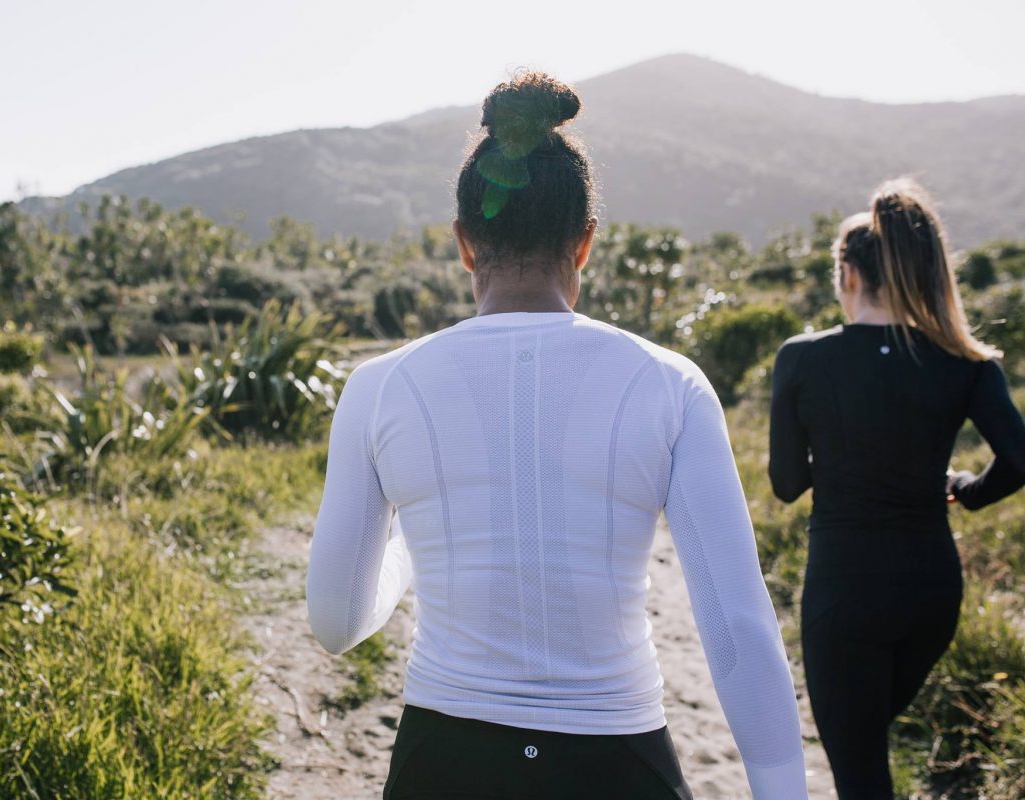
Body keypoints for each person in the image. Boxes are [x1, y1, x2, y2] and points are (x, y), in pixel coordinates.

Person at [307, 71, 808, 800]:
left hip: (443, 761)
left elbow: (334, 624)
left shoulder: (380, 385)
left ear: (464, 244)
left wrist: (408, 554)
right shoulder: (671, 385)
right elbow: (736, 626)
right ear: (585, 244)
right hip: (618, 759)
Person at [768, 179, 1025, 798]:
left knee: (858, 770)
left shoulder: (802, 358)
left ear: (848, 273)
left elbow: (784, 485)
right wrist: (966, 489)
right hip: (931, 594)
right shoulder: (966, 362)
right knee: (865, 746)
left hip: (846, 594)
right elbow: (1018, 459)